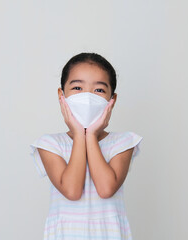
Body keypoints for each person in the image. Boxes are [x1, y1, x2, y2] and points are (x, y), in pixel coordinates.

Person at [30, 52, 143, 240]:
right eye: (77, 87)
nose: (88, 96)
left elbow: (106, 189)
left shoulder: (123, 143)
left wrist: (90, 134)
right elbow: (72, 191)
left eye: (99, 90)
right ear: (61, 95)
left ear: (112, 100)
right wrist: (78, 135)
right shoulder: (50, 144)